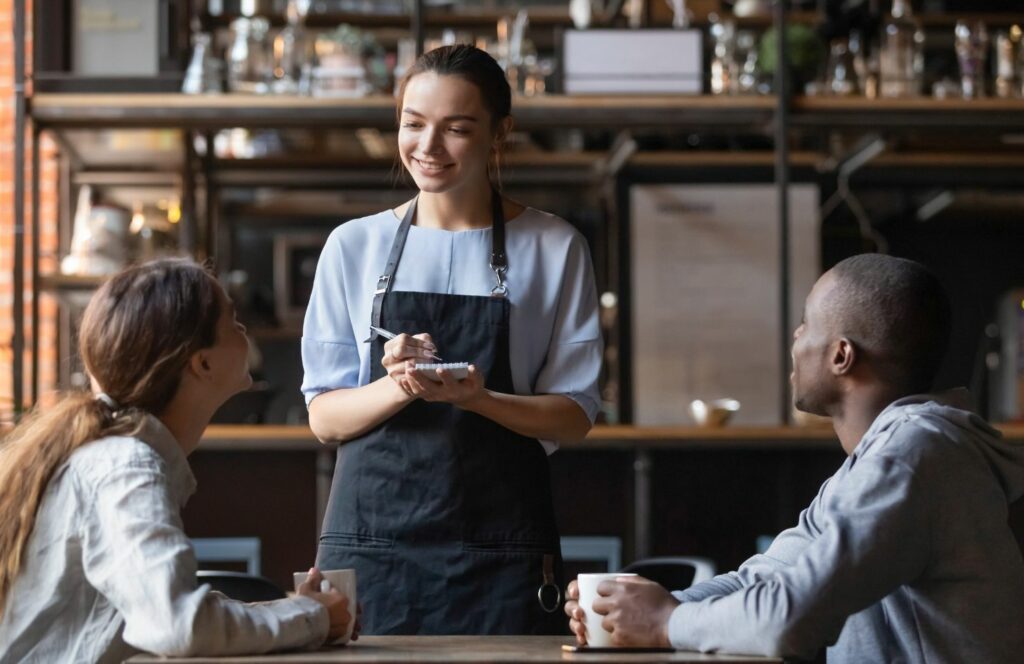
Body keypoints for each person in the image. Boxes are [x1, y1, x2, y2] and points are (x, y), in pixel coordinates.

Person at [564, 254, 1024, 662]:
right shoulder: (874, 461)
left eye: (806, 324)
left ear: (841, 355)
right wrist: (634, 608)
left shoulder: (915, 454)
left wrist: (663, 623)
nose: (796, 338)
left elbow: (788, 617)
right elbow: (764, 579)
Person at [301, 44, 602, 635]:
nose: (428, 148)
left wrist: (478, 399)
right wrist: (400, 386)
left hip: (502, 551)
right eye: (413, 125)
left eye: (456, 129)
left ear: (499, 134)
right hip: (370, 550)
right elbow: (325, 418)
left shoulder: (554, 245)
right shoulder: (351, 246)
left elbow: (573, 416)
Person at [0, 259, 355, 663]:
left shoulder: (114, 454)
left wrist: (298, 612)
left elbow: (158, 616)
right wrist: (310, 617)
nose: (244, 331)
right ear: (202, 363)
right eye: (232, 321)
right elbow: (180, 624)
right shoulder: (126, 467)